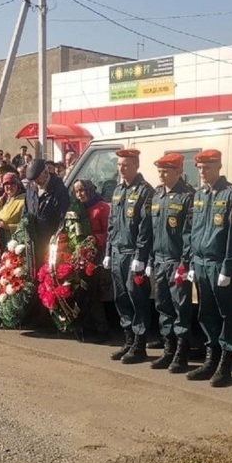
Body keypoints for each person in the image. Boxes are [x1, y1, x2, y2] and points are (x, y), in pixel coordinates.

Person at [187, 150, 232, 387]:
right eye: (200, 168)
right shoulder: (199, 194)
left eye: (207, 168)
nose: (202, 172)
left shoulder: (231, 193)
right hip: (200, 264)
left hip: (219, 265)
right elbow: (193, 231)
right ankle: (211, 359)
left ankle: (225, 364)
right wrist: (192, 262)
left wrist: (228, 267)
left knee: (226, 314)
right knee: (206, 313)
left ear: (219, 166)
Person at [105, 149, 154, 364]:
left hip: (134, 253)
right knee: (121, 298)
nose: (121, 168)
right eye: (119, 165)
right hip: (117, 252)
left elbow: (146, 227)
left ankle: (139, 345)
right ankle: (128, 340)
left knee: (137, 299)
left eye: (125, 165)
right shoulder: (117, 190)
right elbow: (112, 224)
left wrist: (141, 256)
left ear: (136, 166)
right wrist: (108, 251)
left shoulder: (145, 191)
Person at [146, 153, 195, 371]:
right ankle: (168, 349)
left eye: (166, 171)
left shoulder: (188, 196)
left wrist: (185, 264)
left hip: (177, 261)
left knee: (180, 308)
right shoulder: (157, 195)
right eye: (160, 171)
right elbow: (151, 231)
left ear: (178, 172)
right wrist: (149, 259)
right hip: (159, 260)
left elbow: (189, 234)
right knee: (163, 306)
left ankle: (181, 353)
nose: (162, 175)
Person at [73, 179, 111, 343]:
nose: (80, 194)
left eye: (82, 190)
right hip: (79, 254)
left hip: (97, 254)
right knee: (81, 291)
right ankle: (86, 326)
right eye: (77, 191)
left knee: (94, 293)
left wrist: (95, 239)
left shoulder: (102, 207)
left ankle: (102, 328)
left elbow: (110, 232)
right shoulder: (77, 209)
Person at [25, 158, 69, 266]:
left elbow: (62, 219)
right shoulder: (30, 189)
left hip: (50, 243)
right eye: (33, 180)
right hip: (33, 243)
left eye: (37, 179)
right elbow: (26, 212)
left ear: (45, 172)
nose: (36, 182)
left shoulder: (59, 190)